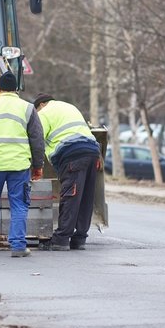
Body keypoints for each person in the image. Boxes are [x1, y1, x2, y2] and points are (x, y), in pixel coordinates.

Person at [0, 72, 45, 257]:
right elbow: (37, 139)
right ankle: (18, 246)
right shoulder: (28, 108)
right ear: (16, 89)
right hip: (19, 165)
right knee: (19, 205)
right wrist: (38, 165)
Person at [33, 94, 101, 251]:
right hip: (92, 152)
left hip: (72, 154)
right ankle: (80, 239)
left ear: (41, 105)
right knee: (85, 197)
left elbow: (37, 139)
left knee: (71, 196)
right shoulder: (70, 107)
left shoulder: (43, 113)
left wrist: (34, 163)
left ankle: (61, 239)